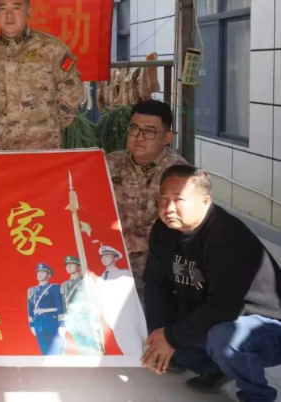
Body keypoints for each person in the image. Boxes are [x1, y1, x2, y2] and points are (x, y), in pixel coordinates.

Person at [144, 165, 281, 400]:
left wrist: (172, 337)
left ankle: (257, 396)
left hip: (263, 324)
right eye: (163, 199)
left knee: (224, 338)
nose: (168, 208)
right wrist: (160, 335)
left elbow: (225, 308)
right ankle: (215, 369)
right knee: (161, 324)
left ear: (205, 202)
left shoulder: (226, 236)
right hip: (215, 312)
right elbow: (157, 285)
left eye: (179, 200)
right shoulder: (163, 230)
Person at [0, 0, 83, 150]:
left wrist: (45, 127)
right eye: (2, 8)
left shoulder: (52, 49)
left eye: (16, 8)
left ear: (28, 10)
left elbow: (71, 92)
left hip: (42, 147)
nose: (9, 15)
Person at [106, 99, 187, 296]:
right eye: (134, 129)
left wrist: (122, 244)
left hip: (155, 273)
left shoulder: (178, 174)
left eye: (149, 132)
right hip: (110, 263)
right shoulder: (110, 162)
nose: (139, 137)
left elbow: (176, 226)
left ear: (166, 138)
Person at [96, 245, 147, 358]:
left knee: (135, 343)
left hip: (127, 315)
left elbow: (131, 297)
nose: (104, 259)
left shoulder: (125, 274)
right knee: (124, 345)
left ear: (115, 258)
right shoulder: (100, 279)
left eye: (107, 256)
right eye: (102, 256)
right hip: (111, 318)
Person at [60, 255, 103, 355]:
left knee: (91, 344)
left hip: (84, 316)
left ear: (79, 267)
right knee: (80, 344)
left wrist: (95, 319)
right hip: (72, 318)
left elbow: (94, 300)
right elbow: (64, 303)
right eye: (67, 265)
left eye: (72, 264)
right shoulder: (64, 285)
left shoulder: (86, 282)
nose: (68, 266)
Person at [27, 263, 66, 355]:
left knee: (56, 349)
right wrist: (31, 325)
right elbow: (30, 309)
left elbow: (60, 307)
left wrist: (62, 324)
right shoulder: (31, 290)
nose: (39, 274)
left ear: (49, 275)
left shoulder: (54, 288)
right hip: (38, 324)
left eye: (43, 272)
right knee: (44, 349)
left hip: (52, 322)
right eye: (38, 272)